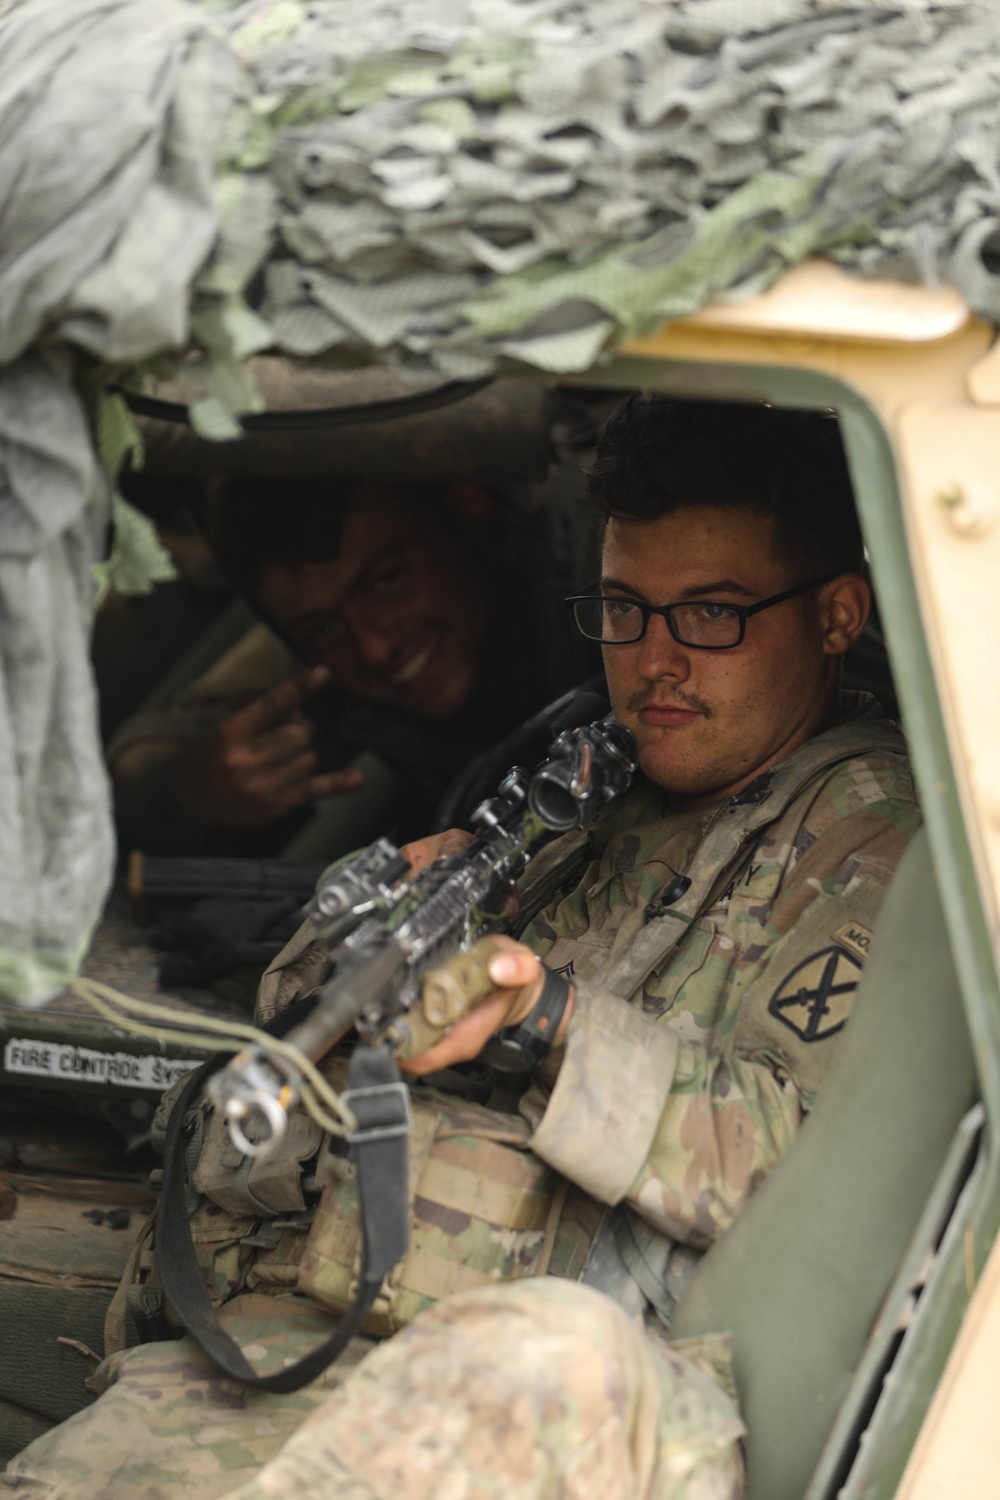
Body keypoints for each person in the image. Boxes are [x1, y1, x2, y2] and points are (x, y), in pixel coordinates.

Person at [4, 395, 921, 1500]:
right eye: (624, 611)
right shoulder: (600, 781)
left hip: (538, 1381)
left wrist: (547, 1019)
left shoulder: (876, 837)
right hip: (313, 1330)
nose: (655, 663)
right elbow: (308, 1033)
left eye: (712, 616)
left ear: (835, 614)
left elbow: (801, 1159)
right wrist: (368, 923)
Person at [109, 476, 592, 854]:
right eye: (321, 630)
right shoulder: (317, 666)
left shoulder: (593, 570)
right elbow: (144, 759)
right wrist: (198, 786)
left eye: (385, 581)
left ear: (467, 505)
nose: (373, 648)